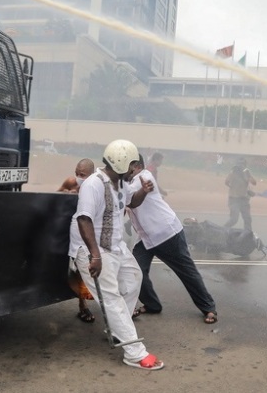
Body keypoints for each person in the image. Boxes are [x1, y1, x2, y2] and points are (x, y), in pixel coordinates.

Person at [68, 139, 164, 371]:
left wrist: (143, 190)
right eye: (132, 165)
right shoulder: (94, 184)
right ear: (121, 163)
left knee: (133, 279)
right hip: (93, 250)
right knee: (111, 298)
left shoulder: (120, 182)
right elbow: (84, 218)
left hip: (116, 246)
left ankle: (118, 328)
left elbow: (134, 201)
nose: (135, 169)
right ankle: (134, 352)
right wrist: (95, 256)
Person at [126, 158, 218, 324]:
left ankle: (208, 307)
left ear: (138, 166)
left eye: (127, 166)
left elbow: (129, 197)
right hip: (146, 238)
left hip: (166, 234)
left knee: (186, 272)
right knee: (135, 270)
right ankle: (152, 304)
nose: (123, 170)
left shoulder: (144, 178)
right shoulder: (130, 180)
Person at [58, 158, 98, 323]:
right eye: (77, 173)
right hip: (71, 230)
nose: (78, 176)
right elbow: (56, 194)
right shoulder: (71, 182)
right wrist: (68, 194)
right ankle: (83, 306)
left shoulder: (96, 186)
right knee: (76, 271)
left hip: (90, 232)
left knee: (91, 270)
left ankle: (113, 306)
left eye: (82, 174)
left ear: (91, 175)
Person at [224, 157, 257, 232]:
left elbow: (254, 182)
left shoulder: (245, 172)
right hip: (234, 199)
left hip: (243, 199)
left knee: (247, 219)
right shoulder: (233, 172)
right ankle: (223, 230)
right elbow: (226, 182)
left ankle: (248, 234)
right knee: (234, 219)